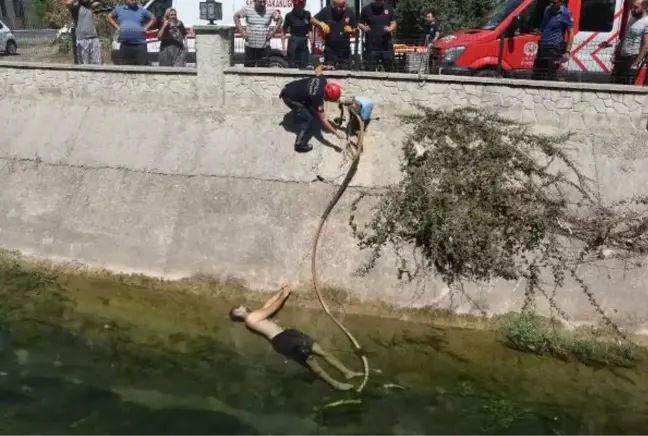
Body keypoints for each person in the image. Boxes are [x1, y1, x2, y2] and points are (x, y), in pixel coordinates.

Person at [229, 286, 363, 391]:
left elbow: (267, 305)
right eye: (238, 309)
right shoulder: (250, 319)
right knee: (311, 362)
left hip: (287, 336)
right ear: (239, 314)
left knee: (321, 351)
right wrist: (285, 295)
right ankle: (335, 384)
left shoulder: (254, 315)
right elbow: (272, 308)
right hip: (283, 340)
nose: (241, 306)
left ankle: (347, 373)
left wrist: (280, 291)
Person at [279, 65, 346, 152]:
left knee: (311, 109)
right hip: (289, 98)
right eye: (331, 100)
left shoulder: (322, 81)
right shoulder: (317, 99)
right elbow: (324, 119)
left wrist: (327, 67)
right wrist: (336, 133)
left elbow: (318, 68)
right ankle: (300, 144)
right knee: (308, 119)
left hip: (289, 88)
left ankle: (302, 113)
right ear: (328, 97)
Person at [531, 0, 573, 81]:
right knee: (537, 74)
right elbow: (545, 24)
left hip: (555, 47)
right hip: (543, 45)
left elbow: (571, 32)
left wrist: (567, 51)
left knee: (550, 75)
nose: (551, 4)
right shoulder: (547, 9)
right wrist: (540, 31)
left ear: (560, 2)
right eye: (550, 2)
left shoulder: (565, 13)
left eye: (554, 3)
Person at [234, 0, 282, 68]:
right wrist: (242, 31)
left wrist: (273, 33)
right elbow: (236, 16)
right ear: (255, 1)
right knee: (248, 70)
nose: (262, 4)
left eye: (264, 2)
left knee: (263, 70)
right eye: (260, 2)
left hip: (264, 47)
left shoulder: (270, 10)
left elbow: (280, 19)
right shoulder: (247, 9)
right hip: (250, 46)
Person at [107, 0, 156, 66]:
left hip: (140, 45)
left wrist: (145, 28)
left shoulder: (141, 10)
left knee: (142, 69)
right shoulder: (119, 9)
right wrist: (117, 27)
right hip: (125, 44)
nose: (134, 1)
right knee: (126, 69)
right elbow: (109, 17)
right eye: (132, 0)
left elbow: (153, 18)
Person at [611, 0, 648, 85]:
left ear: (644, 8)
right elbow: (626, 36)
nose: (632, 9)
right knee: (614, 83)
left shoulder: (646, 22)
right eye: (632, 6)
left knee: (626, 84)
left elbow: (646, 45)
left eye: (636, 7)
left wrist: (636, 63)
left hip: (633, 57)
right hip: (623, 55)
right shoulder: (631, 17)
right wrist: (617, 50)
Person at [312, 0, 357, 70]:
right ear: (333, 5)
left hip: (344, 48)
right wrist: (321, 24)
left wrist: (352, 31)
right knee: (329, 69)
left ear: (345, 4)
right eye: (337, 7)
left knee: (345, 69)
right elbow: (312, 20)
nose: (339, 9)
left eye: (341, 7)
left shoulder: (349, 12)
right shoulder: (326, 11)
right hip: (330, 47)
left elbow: (356, 30)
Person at [359, 0, 398, 72]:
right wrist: (364, 28)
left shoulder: (389, 8)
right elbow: (360, 23)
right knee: (370, 69)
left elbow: (394, 23)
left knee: (389, 67)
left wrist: (390, 28)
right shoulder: (366, 9)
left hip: (386, 44)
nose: (380, 2)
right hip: (371, 44)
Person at [64, 0, 103, 65]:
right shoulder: (75, 6)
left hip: (94, 38)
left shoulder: (89, 5)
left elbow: (101, 2)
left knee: (98, 64)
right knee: (84, 65)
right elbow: (68, 3)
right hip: (82, 39)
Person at [281, 0, 312, 69]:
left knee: (305, 63)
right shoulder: (289, 16)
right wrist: (283, 47)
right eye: (301, 4)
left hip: (303, 40)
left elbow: (310, 30)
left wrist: (312, 43)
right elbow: (283, 31)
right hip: (293, 40)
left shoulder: (307, 14)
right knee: (292, 64)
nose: (302, 5)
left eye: (303, 3)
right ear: (295, 5)